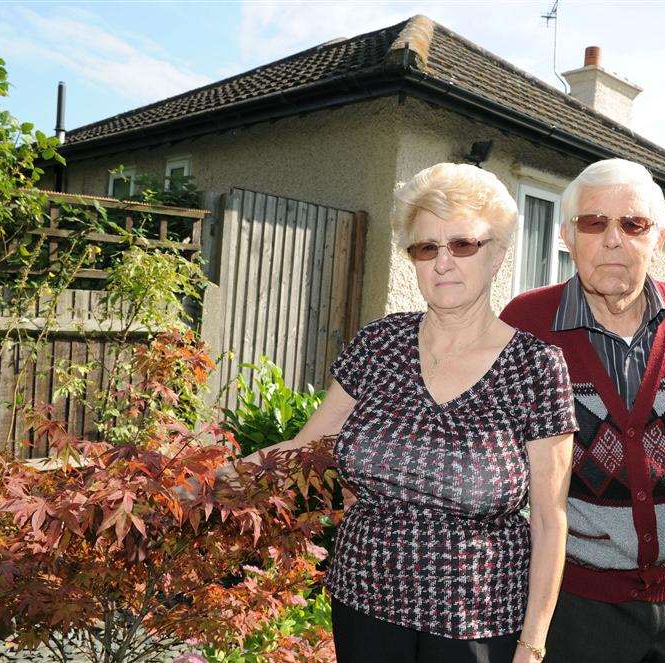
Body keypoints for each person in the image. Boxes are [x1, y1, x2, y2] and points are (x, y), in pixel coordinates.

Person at [242, 163, 578, 663]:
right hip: (363, 602)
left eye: (463, 244)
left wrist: (532, 643)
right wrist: (203, 478)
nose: (443, 262)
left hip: (476, 618)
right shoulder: (378, 344)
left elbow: (550, 521)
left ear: (498, 255)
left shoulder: (536, 367)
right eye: (426, 248)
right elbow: (300, 448)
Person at [500, 158, 665, 663]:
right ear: (566, 235)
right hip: (575, 603)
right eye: (594, 222)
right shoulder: (525, 325)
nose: (613, 239)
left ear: (658, 237)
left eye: (633, 223)